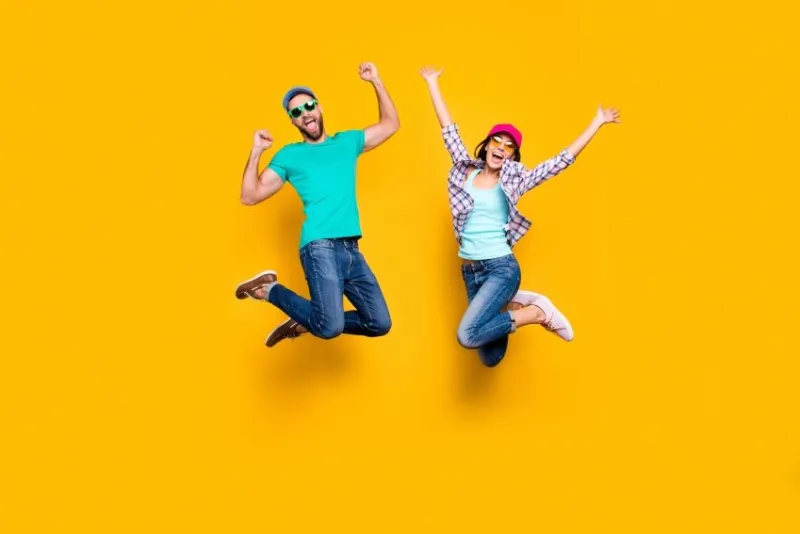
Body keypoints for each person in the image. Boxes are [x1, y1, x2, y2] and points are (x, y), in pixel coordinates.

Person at [419, 65, 620, 367]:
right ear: (485, 146)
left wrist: (597, 122)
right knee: (491, 357)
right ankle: (516, 301)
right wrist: (432, 83)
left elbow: (560, 162)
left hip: (501, 267)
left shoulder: (515, 180)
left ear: (512, 156)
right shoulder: (465, 170)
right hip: (472, 272)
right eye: (496, 142)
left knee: (466, 335)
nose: (501, 148)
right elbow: (448, 130)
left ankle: (536, 311)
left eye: (509, 147)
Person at [236, 62, 399, 347]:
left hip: (351, 249)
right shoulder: (290, 155)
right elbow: (250, 195)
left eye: (308, 106)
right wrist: (256, 152)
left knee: (379, 322)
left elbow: (391, 125)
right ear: (293, 122)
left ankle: (308, 319)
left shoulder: (347, 142)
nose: (304, 114)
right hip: (319, 245)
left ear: (319, 107)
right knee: (330, 327)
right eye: (296, 112)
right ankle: (269, 289)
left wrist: (376, 80)